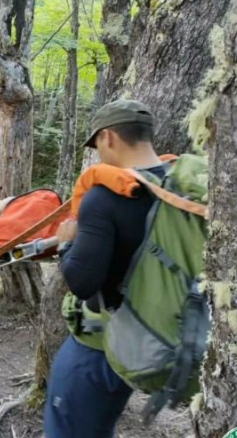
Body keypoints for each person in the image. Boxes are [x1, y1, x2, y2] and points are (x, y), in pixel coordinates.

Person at [44, 100, 165, 438]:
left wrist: (67, 243)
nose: (98, 153)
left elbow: (82, 282)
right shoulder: (178, 187)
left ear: (108, 137)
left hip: (103, 344)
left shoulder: (105, 196)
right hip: (163, 335)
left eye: (96, 144)